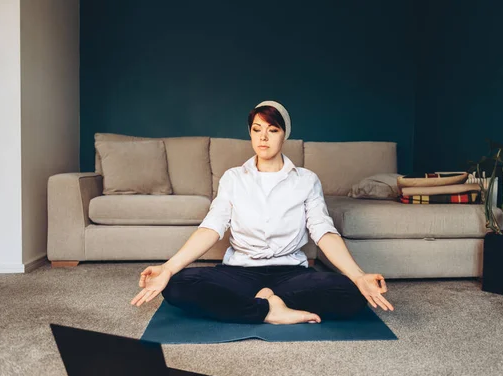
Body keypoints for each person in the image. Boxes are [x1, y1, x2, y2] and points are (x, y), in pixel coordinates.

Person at [131, 101, 394, 324]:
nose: (263, 137)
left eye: (272, 129)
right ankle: (271, 309)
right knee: (178, 284)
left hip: (291, 273)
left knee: (352, 292)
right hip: (239, 272)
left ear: (284, 134)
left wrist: (358, 276)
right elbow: (211, 227)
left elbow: (323, 231)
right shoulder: (233, 178)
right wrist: (167, 268)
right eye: (257, 130)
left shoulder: (306, 180)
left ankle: (263, 304)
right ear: (250, 133)